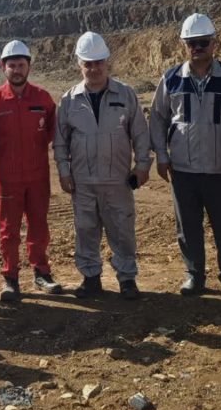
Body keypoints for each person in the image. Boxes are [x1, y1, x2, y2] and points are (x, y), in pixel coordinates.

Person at [149, 13, 221, 300]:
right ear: (184, 45)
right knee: (188, 227)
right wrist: (161, 155)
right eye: (192, 43)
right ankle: (194, 275)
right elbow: (158, 118)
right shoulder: (171, 79)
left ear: (214, 43)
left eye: (203, 42)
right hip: (183, 170)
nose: (198, 48)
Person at [53, 31, 151, 300]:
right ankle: (91, 278)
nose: (94, 68)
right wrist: (63, 171)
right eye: (88, 63)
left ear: (107, 61)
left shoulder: (125, 94)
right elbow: (60, 141)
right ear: (79, 64)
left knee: (122, 230)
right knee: (85, 230)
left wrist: (142, 165)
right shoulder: (69, 100)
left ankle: (127, 279)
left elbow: (140, 134)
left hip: (117, 180)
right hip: (83, 181)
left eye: (98, 62)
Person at [0, 40, 63, 302]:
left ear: (29, 67)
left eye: (21, 65)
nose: (16, 70)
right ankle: (10, 278)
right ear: (2, 67)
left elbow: (52, 129)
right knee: (9, 230)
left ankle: (41, 272)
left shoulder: (43, 98)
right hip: (8, 177)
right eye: (12, 65)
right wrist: (4, 154)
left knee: (39, 225)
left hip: (38, 176)